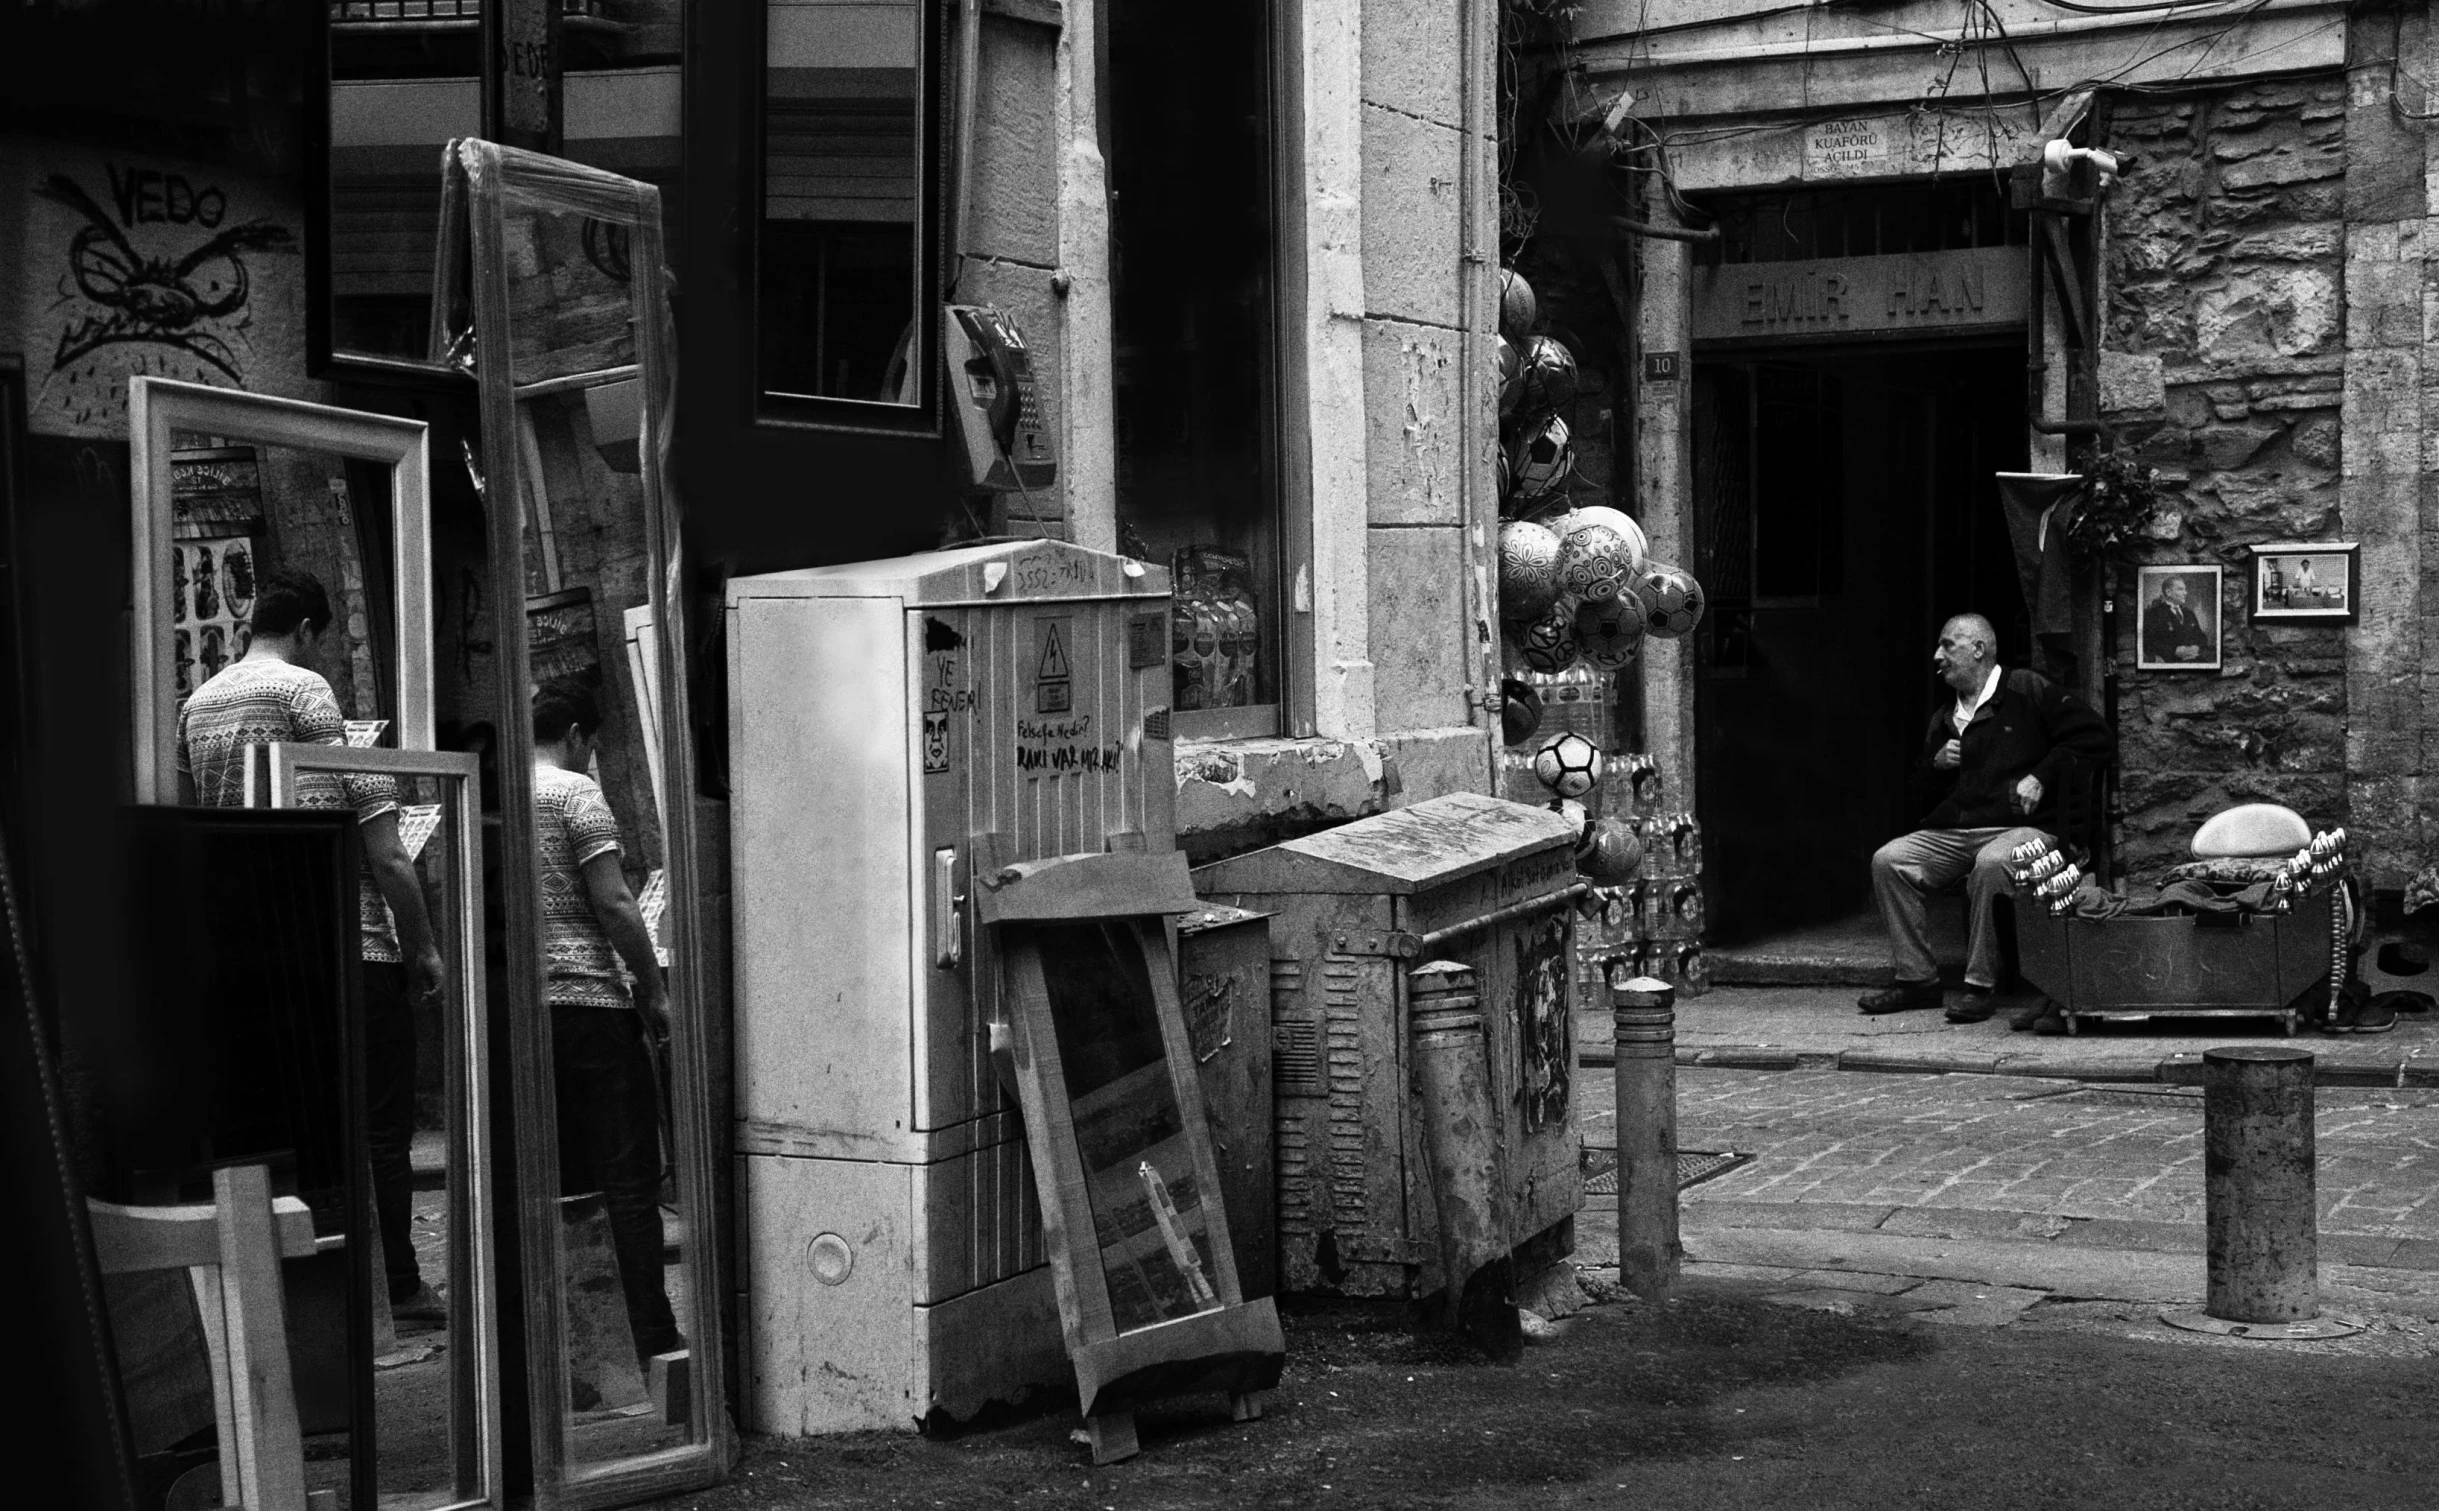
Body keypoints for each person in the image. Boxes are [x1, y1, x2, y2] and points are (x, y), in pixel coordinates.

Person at [177, 567, 448, 1324]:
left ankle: (311, 1301)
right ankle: (397, 1284)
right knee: (381, 1130)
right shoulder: (304, 691)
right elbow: (384, 845)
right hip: (345, 945)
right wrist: (421, 944)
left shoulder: (195, 705)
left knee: (287, 1135)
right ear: (305, 632)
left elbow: (195, 825)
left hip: (248, 957)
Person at [1859, 614, 2114, 1024]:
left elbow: (2095, 737)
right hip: (1956, 830)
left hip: (2028, 830)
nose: (1937, 656)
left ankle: (1980, 985)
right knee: (1889, 860)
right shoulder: (1944, 717)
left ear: (1978, 648)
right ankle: (1917, 980)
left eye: (1948, 645)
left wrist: (2040, 776)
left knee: (1993, 863)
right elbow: (1916, 795)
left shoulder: (2026, 689)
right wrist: (1935, 765)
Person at [531, 678, 680, 1365]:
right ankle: (649, 1332)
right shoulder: (573, 791)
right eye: (589, 744)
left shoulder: (497, 793)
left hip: (525, 1020)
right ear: (574, 736)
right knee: (627, 1178)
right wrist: (651, 990)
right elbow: (617, 902)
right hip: (591, 1007)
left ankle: (585, 1355)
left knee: (563, 1184)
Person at [2142, 575, 2211, 664]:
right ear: (2168, 592)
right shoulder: (2154, 613)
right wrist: (2173, 651)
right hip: (2169, 662)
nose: (2185, 593)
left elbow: (2201, 637)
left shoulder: (2189, 613)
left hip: (2194, 660)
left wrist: (2197, 647)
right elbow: (2148, 642)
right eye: (2180, 589)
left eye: (2185, 589)